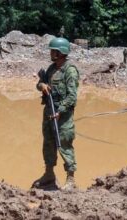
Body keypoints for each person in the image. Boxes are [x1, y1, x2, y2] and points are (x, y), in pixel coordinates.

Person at [32, 37, 80, 191]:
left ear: (61, 53)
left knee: (64, 144)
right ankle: (49, 174)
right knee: (48, 143)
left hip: (63, 116)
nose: (51, 53)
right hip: (49, 112)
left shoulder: (70, 70)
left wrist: (60, 110)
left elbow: (72, 96)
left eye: (53, 51)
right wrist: (43, 86)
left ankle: (70, 179)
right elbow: (39, 84)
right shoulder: (51, 68)